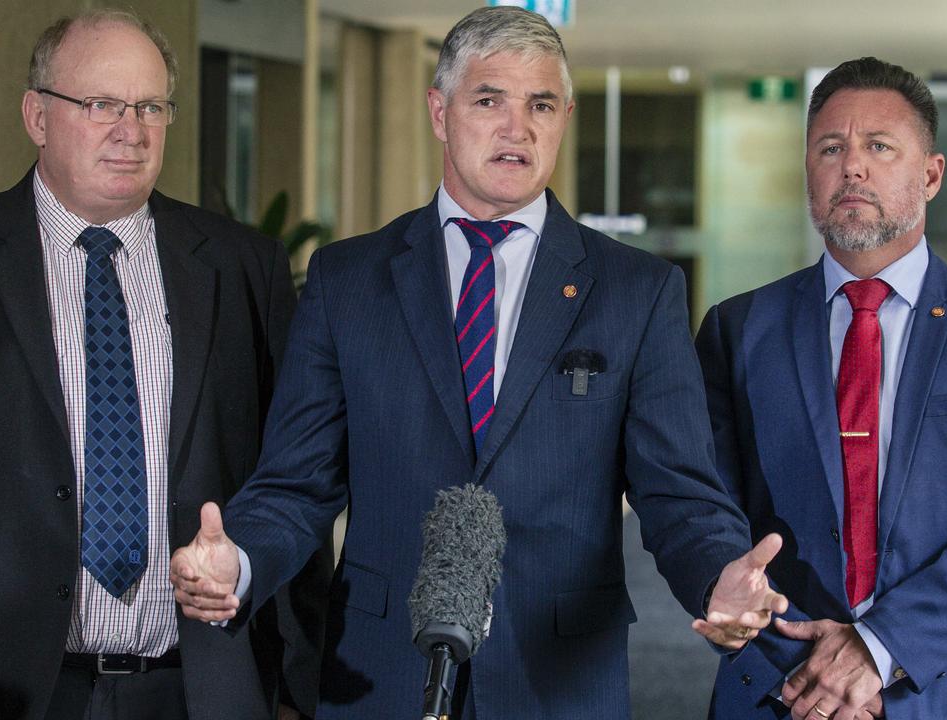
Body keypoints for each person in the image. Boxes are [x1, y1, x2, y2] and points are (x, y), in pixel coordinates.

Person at [170, 6, 786, 719]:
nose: (516, 127)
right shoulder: (347, 280)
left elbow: (678, 490)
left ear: (564, 118)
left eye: (541, 105)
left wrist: (719, 575)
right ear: (440, 112)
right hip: (380, 671)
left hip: (557, 679)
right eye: (489, 100)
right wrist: (237, 563)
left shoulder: (636, 291)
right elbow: (295, 483)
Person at [0, 9, 328, 720]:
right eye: (101, 104)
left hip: (201, 690)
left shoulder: (240, 266)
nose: (131, 130)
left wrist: (291, 691)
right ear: (37, 115)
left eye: (151, 106)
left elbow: (294, 477)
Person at [695, 57, 947, 719]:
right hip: (782, 683)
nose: (853, 167)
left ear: (931, 175)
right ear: (808, 171)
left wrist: (877, 647)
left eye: (879, 147)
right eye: (831, 148)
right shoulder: (738, 328)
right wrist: (805, 664)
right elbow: (704, 504)